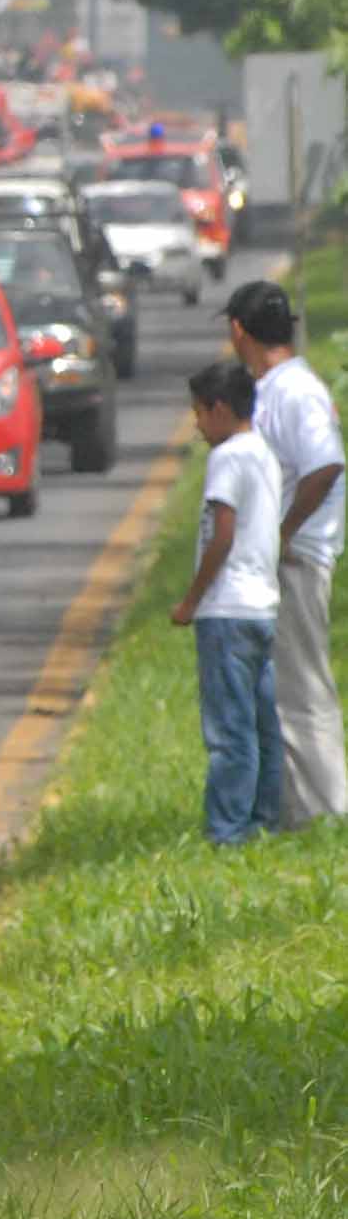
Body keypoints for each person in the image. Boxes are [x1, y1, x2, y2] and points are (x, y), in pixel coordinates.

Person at [226, 280, 346, 824]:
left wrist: (285, 530)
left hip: (299, 561)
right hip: (282, 563)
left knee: (304, 692)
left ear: (238, 332)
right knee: (283, 694)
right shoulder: (276, 388)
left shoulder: (294, 391)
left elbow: (326, 463)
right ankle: (297, 810)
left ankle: (330, 810)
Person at [172, 360, 284, 846]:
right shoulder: (262, 451)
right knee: (262, 725)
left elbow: (222, 535)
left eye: (199, 412)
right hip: (261, 606)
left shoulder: (228, 457)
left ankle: (228, 830)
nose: (196, 424)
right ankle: (263, 819)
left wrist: (191, 600)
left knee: (229, 732)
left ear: (219, 408)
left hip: (227, 608)